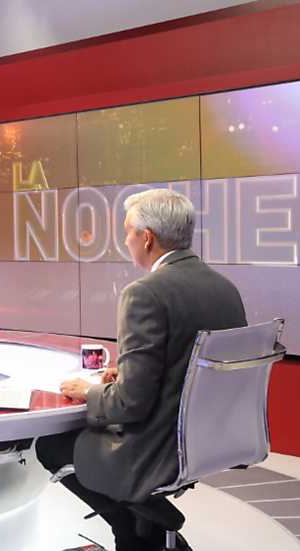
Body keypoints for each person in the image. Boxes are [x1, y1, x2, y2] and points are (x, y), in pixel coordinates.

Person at [35, 189, 247, 551]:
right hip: (207, 440)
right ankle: (140, 528)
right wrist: (128, 372)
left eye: (127, 232)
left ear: (146, 238)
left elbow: (130, 404)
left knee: (52, 445)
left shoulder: (144, 293)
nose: (125, 241)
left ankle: (139, 526)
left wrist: (90, 392)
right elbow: (186, 363)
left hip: (156, 447)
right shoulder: (225, 288)